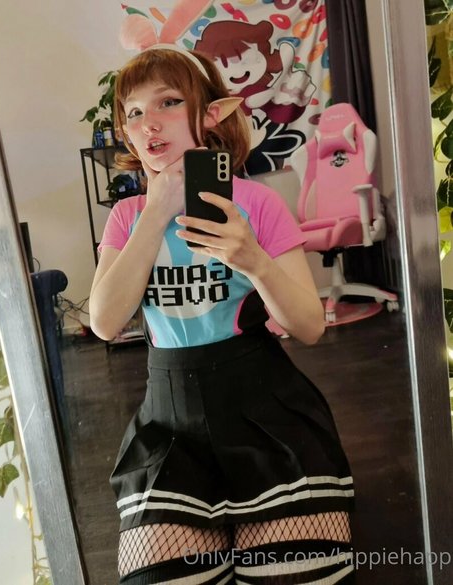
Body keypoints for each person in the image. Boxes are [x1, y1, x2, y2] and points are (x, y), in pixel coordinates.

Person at [89, 45, 354, 585]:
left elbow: (309, 326)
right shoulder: (126, 218)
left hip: (268, 414)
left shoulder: (256, 203)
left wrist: (252, 259)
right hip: (169, 431)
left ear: (212, 114)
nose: (148, 122)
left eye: (168, 102)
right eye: (134, 112)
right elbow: (105, 322)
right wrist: (156, 211)